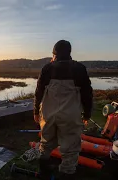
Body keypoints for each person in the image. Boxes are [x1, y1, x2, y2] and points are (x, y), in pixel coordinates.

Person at [34, 40, 93, 179]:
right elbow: (87, 94)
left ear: (54, 53)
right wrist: (87, 114)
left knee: (46, 143)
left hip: (48, 114)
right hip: (70, 115)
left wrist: (36, 111)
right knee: (70, 148)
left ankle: (44, 172)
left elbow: (38, 92)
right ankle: (66, 174)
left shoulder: (47, 68)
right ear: (69, 53)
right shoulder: (80, 68)